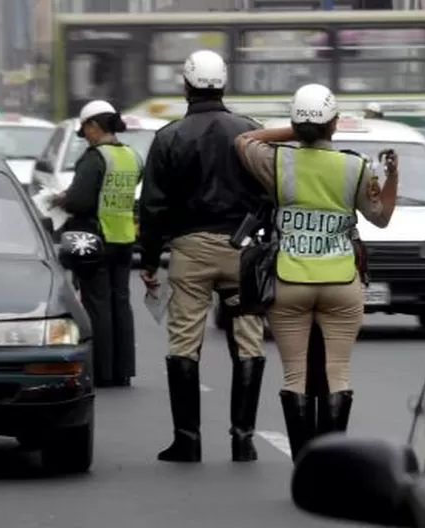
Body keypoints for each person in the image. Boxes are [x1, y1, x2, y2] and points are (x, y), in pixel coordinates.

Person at [234, 83, 399, 460]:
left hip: (289, 280)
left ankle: (304, 462)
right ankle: (332, 463)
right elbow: (382, 218)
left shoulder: (277, 162)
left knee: (295, 376)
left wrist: (296, 130)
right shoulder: (354, 167)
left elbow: (244, 139)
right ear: (334, 125)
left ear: (296, 122)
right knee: (337, 372)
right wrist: (393, 176)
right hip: (341, 282)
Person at [138, 49, 271, 463]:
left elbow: (154, 207)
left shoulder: (168, 137)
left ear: (186, 85)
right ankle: (243, 439)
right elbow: (271, 193)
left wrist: (148, 259)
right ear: (225, 84)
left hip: (190, 250)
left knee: (184, 342)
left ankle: (188, 440)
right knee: (248, 341)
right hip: (243, 250)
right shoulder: (251, 132)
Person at [51, 99, 139, 388]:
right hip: (124, 239)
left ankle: (102, 371)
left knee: (97, 305)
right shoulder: (131, 155)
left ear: (94, 126)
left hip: (95, 241)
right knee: (121, 304)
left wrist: (61, 198)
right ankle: (122, 370)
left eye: (85, 129)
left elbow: (80, 201)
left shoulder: (94, 158)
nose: (85, 135)